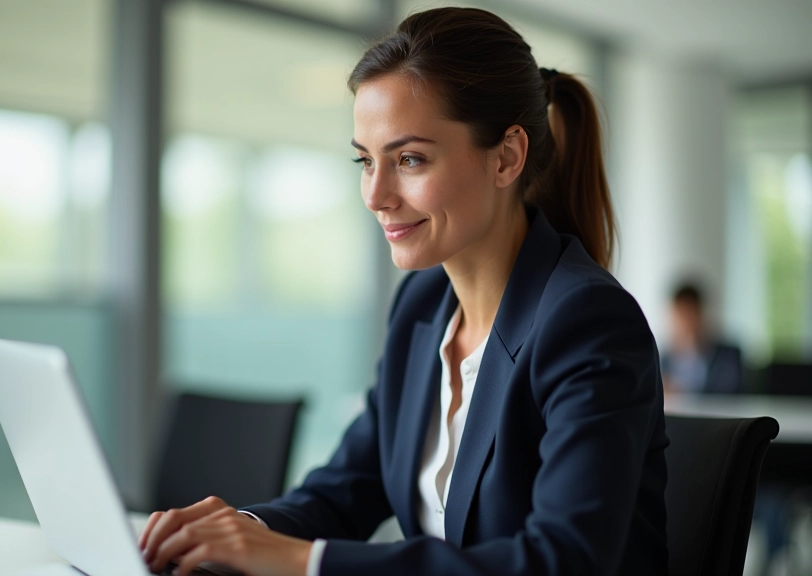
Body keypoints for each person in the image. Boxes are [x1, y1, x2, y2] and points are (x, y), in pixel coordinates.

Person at [139, 7, 668, 576]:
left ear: (507, 157)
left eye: (409, 159)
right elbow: (349, 485)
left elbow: (562, 560)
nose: (375, 194)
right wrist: (242, 531)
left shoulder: (586, 319)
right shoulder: (422, 309)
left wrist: (303, 562)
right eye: (365, 160)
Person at [662, 282, 743, 395]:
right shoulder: (664, 360)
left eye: (689, 314)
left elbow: (730, 393)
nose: (685, 322)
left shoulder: (728, 357)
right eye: (680, 315)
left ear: (700, 314)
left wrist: (683, 391)